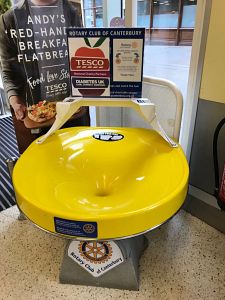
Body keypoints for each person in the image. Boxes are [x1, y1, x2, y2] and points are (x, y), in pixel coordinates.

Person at [0, 0, 90, 153]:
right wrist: (14, 99)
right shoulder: (9, 19)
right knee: (39, 167)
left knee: (79, 160)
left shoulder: (72, 11)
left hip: (74, 110)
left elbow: (81, 54)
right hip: (32, 115)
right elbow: (8, 69)